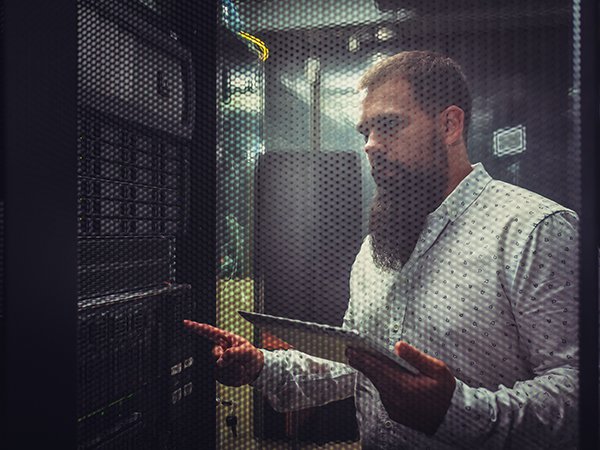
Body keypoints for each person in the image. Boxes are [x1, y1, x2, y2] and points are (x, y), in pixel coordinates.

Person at [184, 50, 579, 449]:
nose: (371, 146)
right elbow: (359, 363)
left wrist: (454, 412)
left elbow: (578, 392)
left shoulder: (535, 231)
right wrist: (263, 367)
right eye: (365, 132)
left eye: (388, 125)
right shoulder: (378, 245)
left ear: (449, 124)